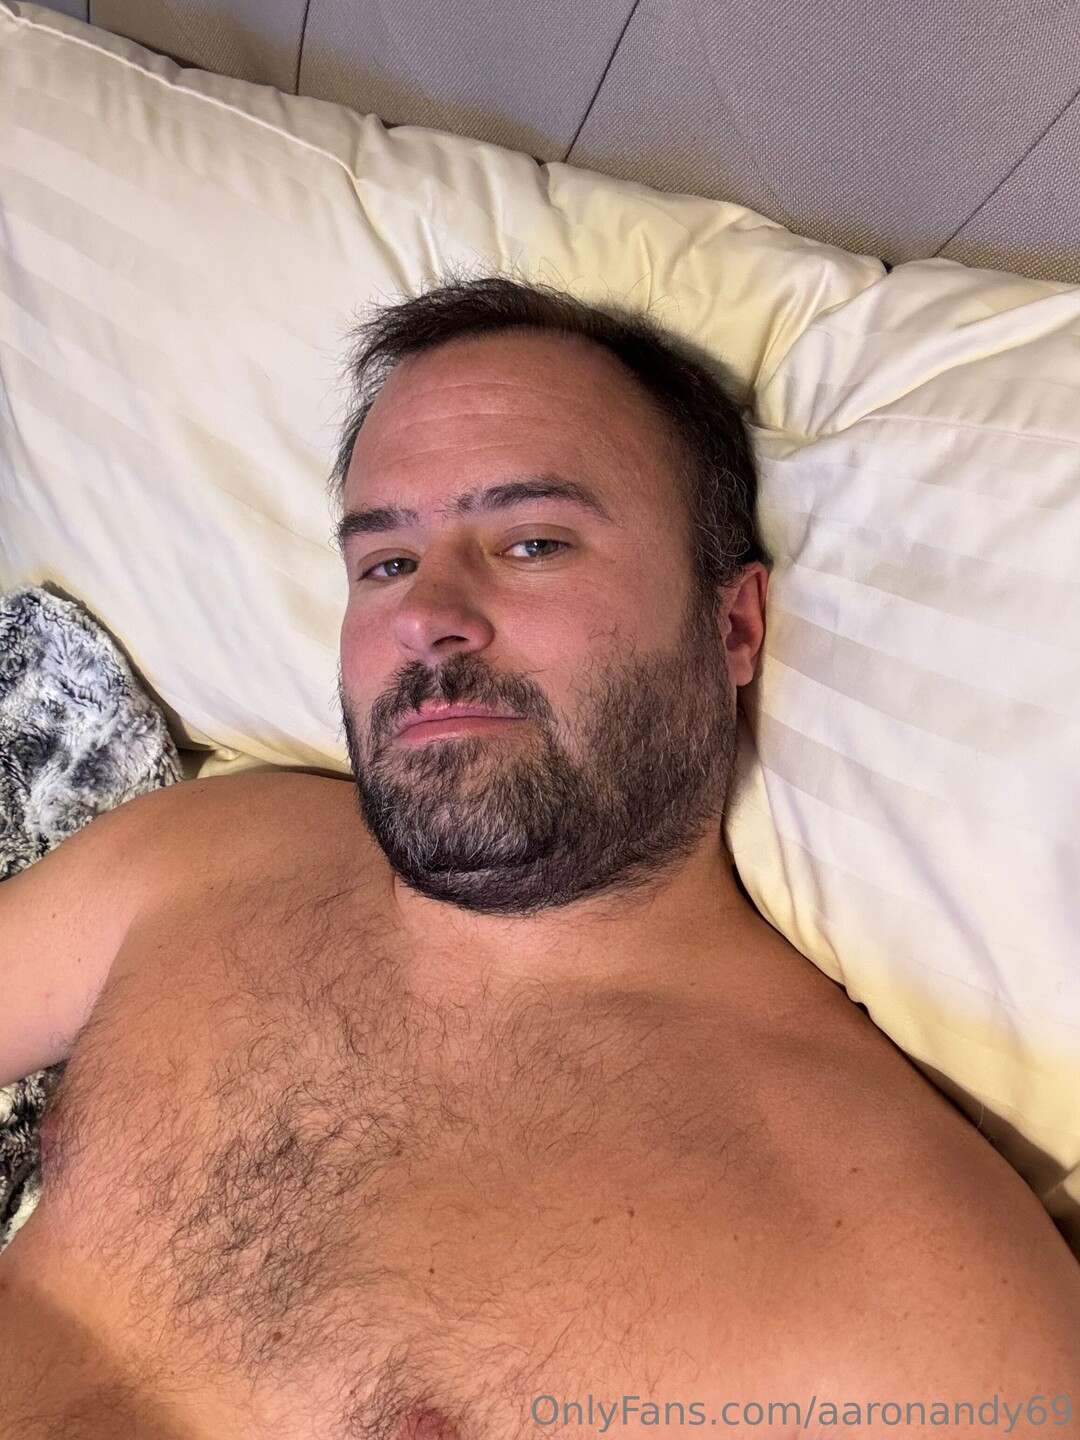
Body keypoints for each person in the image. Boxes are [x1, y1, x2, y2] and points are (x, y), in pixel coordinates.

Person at [0, 274, 1078, 1440]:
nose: (427, 615)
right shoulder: (200, 860)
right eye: (385, 562)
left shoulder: (905, 1278)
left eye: (532, 542)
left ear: (731, 626)